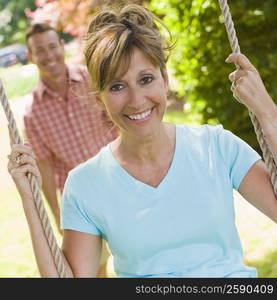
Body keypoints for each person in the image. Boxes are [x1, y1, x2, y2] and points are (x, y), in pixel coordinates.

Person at [8, 4, 277, 278]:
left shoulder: (217, 146)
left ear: (164, 78)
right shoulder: (84, 184)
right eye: (117, 86)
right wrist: (30, 200)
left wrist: (268, 112)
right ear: (99, 96)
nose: (136, 101)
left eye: (145, 79)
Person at [22, 23, 118, 277]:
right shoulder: (33, 112)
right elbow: (44, 165)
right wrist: (56, 212)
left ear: (62, 46)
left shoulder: (91, 79)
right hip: (80, 201)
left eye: (52, 46)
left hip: (118, 182)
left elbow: (119, 122)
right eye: (39, 50)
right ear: (31, 56)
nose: (48, 54)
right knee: (91, 271)